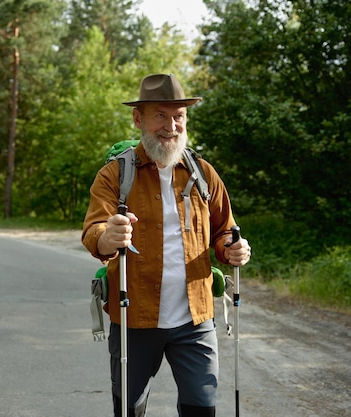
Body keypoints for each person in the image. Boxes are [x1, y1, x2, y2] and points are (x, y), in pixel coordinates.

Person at [81, 73, 251, 417]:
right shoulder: (115, 175)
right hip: (134, 317)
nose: (171, 125)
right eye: (160, 115)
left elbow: (224, 230)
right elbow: (94, 230)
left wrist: (233, 249)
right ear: (138, 118)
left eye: (179, 116)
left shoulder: (202, 173)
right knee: (130, 409)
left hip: (196, 320)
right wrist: (106, 237)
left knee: (202, 408)